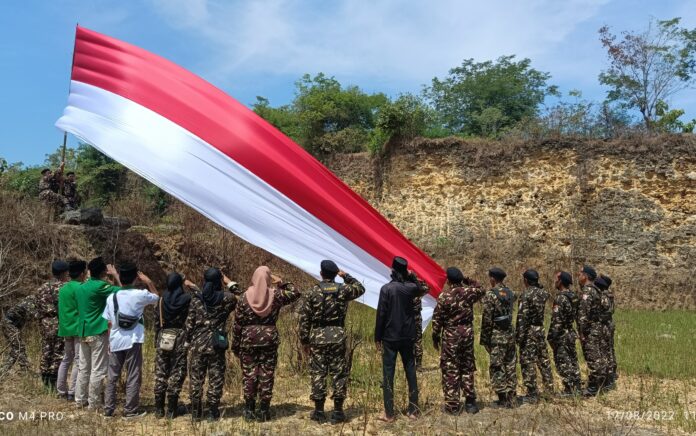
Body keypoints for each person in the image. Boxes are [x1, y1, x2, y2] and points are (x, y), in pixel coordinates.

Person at [298, 260, 365, 424]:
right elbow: (360, 288)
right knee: (339, 372)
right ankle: (337, 412)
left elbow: (304, 319)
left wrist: (304, 341)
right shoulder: (343, 290)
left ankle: (319, 411)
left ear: (321, 274)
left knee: (318, 373)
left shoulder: (312, 292)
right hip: (337, 336)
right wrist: (346, 276)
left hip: (318, 337)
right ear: (336, 274)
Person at [232, 266, 301, 422]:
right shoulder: (276, 295)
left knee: (249, 374)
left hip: (248, 340)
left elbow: (237, 324)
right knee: (267, 373)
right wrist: (282, 283)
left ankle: (249, 410)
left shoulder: (243, 297)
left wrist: (236, 346)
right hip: (269, 339)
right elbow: (296, 293)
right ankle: (264, 410)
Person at [374, 256, 429, 423]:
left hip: (390, 337)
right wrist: (411, 276)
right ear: (405, 271)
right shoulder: (411, 288)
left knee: (388, 374)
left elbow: (381, 314)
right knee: (410, 371)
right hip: (408, 335)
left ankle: (389, 413)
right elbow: (424, 288)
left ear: (392, 271)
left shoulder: (386, 289)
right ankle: (413, 410)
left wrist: (377, 336)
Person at [103, 263, 159, 419]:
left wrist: (109, 342)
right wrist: (148, 282)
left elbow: (108, 322)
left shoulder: (111, 297)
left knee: (112, 376)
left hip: (115, 340)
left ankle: (108, 410)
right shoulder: (140, 294)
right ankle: (130, 411)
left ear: (120, 277)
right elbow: (156, 298)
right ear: (136, 278)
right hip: (133, 340)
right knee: (133, 375)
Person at [185, 267, 239, 422]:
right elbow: (240, 297)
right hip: (217, 344)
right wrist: (229, 282)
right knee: (216, 378)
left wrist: (188, 341)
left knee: (196, 378)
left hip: (198, 344)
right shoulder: (226, 298)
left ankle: (196, 412)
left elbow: (189, 324)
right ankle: (213, 411)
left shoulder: (196, 299)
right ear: (218, 281)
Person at [431, 267, 485, 415]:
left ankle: (453, 405)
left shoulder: (444, 296)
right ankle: (470, 403)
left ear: (448, 281)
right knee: (467, 366)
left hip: (450, 336)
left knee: (451, 368)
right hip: (467, 334)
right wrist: (468, 280)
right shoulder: (469, 292)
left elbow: (437, 320)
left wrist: (435, 338)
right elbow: (481, 288)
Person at [75, 257, 121, 410]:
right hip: (96, 331)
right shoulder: (101, 286)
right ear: (103, 272)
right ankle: (93, 403)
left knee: (84, 367)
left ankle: (80, 400)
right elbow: (123, 291)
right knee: (98, 369)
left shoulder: (81, 287)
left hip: (82, 331)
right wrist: (115, 275)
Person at [153, 272, 193, 419]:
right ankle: (171, 409)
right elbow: (200, 299)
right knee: (177, 371)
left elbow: (157, 321)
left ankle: (158, 409)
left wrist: (156, 341)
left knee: (160, 372)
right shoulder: (187, 299)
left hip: (163, 336)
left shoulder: (162, 300)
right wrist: (192, 286)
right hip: (180, 336)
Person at [480, 267, 518, 408]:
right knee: (510, 365)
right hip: (509, 334)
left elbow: (487, 320)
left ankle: (502, 399)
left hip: (496, 336)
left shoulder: (491, 295)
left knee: (497, 366)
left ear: (492, 279)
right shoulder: (510, 293)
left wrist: (484, 340)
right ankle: (512, 396)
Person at [516, 269, 553, 403]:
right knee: (543, 360)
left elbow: (522, 317)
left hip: (529, 331)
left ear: (526, 280)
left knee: (527, 362)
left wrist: (519, 336)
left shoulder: (526, 295)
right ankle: (549, 389)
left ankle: (532, 393)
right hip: (540, 329)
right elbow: (543, 292)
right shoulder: (543, 293)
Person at [35, 260, 70, 391]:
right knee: (58, 353)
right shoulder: (65, 287)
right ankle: (54, 383)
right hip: (59, 323)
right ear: (64, 272)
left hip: (45, 323)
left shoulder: (42, 288)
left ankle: (45, 381)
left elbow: (37, 307)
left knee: (46, 351)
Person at [547, 271, 581, 396]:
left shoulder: (560, 298)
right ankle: (576, 385)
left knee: (563, 361)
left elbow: (557, 321)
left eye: (556, 279)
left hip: (561, 334)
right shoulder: (574, 296)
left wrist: (551, 338)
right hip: (570, 332)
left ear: (560, 281)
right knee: (572, 359)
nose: (554, 281)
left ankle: (569, 389)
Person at [57, 259, 87, 401]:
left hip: (65, 327)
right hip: (77, 327)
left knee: (66, 359)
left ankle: (60, 389)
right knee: (78, 360)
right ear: (82, 273)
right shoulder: (81, 288)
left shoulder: (63, 288)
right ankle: (72, 390)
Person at [576, 265, 607, 397]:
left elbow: (583, 314)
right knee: (597, 356)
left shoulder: (587, 291)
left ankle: (593, 388)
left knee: (593, 358)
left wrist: (581, 332)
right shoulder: (596, 290)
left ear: (586, 276)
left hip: (590, 330)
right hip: (596, 328)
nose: (579, 275)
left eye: (581, 273)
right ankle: (600, 383)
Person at [0, 295, 36, 375]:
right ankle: (25, 369)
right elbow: (33, 313)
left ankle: (4, 369)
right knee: (20, 347)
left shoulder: (31, 302)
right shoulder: (29, 301)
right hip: (8, 325)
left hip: (10, 325)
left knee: (15, 348)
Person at [595, 274, 617, 390]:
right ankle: (612, 373)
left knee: (604, 350)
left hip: (604, 325)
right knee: (609, 348)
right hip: (609, 324)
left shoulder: (603, 296)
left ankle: (608, 377)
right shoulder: (610, 295)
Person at [413, 296, 424, 372]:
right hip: (417, 319)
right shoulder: (418, 289)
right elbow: (426, 288)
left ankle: (411, 364)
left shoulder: (405, 290)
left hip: (407, 319)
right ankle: (418, 365)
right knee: (417, 342)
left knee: (410, 342)